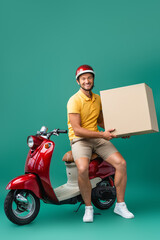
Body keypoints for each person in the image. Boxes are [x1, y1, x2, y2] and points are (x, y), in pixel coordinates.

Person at [67, 65, 134, 222]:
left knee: (121, 164)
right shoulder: (74, 100)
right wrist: (102, 134)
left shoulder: (97, 99)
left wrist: (120, 131)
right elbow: (77, 130)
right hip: (80, 140)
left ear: (93, 79)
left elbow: (101, 121)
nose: (87, 81)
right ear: (78, 81)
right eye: (83, 78)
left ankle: (120, 205)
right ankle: (88, 208)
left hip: (97, 138)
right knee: (82, 169)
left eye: (89, 78)